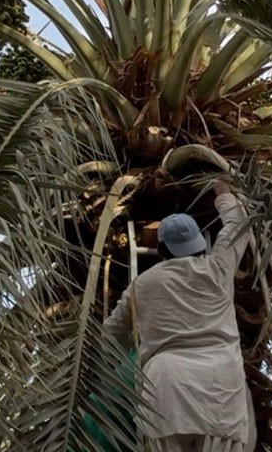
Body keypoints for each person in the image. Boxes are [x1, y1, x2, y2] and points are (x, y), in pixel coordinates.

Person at [103, 173, 257, 452]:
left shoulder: (142, 284)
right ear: (199, 243)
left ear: (161, 249)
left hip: (166, 390)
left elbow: (110, 337)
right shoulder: (217, 268)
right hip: (219, 388)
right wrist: (222, 191)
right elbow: (237, 227)